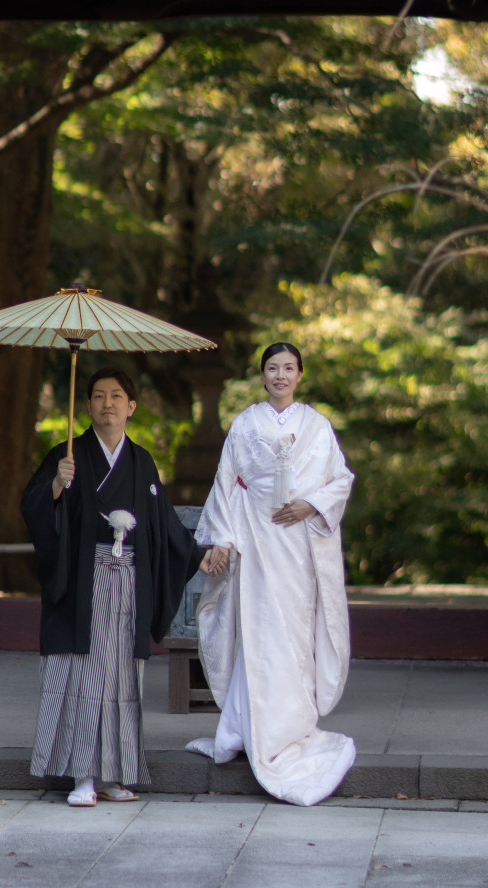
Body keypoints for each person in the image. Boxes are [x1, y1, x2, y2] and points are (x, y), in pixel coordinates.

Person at [21, 365, 203, 807]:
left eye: (117, 396)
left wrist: (201, 551)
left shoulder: (141, 461)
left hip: (129, 583)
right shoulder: (66, 455)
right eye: (99, 396)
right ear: (87, 406)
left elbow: (163, 527)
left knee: (122, 676)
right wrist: (56, 488)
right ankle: (83, 774)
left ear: (132, 407)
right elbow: (33, 509)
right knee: (85, 674)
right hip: (82, 583)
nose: (108, 404)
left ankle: (115, 773)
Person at [188, 342, 356, 806]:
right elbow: (227, 482)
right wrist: (222, 538)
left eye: (288, 368)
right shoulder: (245, 423)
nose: (280, 375)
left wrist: (312, 504)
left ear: (300, 374)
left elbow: (340, 479)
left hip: (299, 544)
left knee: (295, 636)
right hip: (256, 540)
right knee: (258, 632)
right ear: (262, 375)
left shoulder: (317, 426)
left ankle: (292, 728)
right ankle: (245, 729)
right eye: (272, 368)